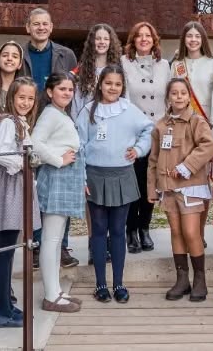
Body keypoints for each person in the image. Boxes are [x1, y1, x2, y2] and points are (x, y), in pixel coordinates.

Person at [77, 65, 154, 302]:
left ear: (123, 87)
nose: (113, 88)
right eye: (108, 83)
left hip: (122, 175)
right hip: (95, 176)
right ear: (100, 84)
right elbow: (78, 145)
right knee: (99, 231)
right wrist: (81, 177)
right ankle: (101, 284)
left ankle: (119, 283)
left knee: (119, 231)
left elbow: (149, 129)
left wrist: (138, 149)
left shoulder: (129, 110)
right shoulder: (88, 111)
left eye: (118, 84)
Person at [148, 78, 213, 302]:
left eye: (182, 93)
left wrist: (186, 166)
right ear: (168, 97)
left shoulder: (196, 122)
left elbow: (208, 146)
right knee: (176, 232)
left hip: (190, 187)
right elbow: (154, 159)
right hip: (168, 189)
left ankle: (200, 279)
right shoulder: (160, 125)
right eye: (174, 93)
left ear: (189, 96)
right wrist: (152, 187)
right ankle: (182, 279)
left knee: (190, 232)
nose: (178, 96)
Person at [29, 73, 85, 314]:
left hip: (67, 177)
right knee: (51, 240)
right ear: (50, 92)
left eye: (70, 90)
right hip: (56, 177)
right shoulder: (50, 114)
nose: (67, 93)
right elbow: (35, 142)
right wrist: (58, 160)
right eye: (61, 89)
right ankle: (51, 295)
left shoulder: (60, 114)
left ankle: (56, 291)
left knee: (57, 237)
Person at [0, 79, 39, 329]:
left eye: (30, 99)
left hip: (19, 184)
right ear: (12, 97)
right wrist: (23, 164)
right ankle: (3, 311)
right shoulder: (9, 122)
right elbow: (0, 153)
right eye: (21, 98)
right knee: (5, 250)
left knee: (10, 250)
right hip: (10, 185)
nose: (26, 103)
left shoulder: (21, 123)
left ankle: (7, 303)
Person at [121, 22, 171, 253]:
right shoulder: (124, 63)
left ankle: (144, 228)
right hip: (134, 133)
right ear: (133, 40)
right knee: (135, 183)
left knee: (152, 182)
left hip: (158, 133)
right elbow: (124, 98)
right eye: (139, 36)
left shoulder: (164, 65)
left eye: (148, 36)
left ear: (154, 40)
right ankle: (131, 230)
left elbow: (169, 99)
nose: (143, 39)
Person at [171, 21, 213, 120]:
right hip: (181, 119)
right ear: (184, 39)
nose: (193, 39)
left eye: (197, 36)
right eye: (189, 36)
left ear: (203, 39)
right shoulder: (176, 64)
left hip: (206, 120)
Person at [75, 25, 122, 117]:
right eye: (98, 38)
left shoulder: (118, 69)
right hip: (87, 121)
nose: (102, 42)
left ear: (110, 42)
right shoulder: (82, 69)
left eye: (106, 39)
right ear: (92, 42)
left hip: (113, 119)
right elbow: (77, 102)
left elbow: (124, 98)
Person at [0, 42, 27, 117]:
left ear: (20, 65)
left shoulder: (26, 92)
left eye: (15, 56)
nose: (9, 59)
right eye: (5, 55)